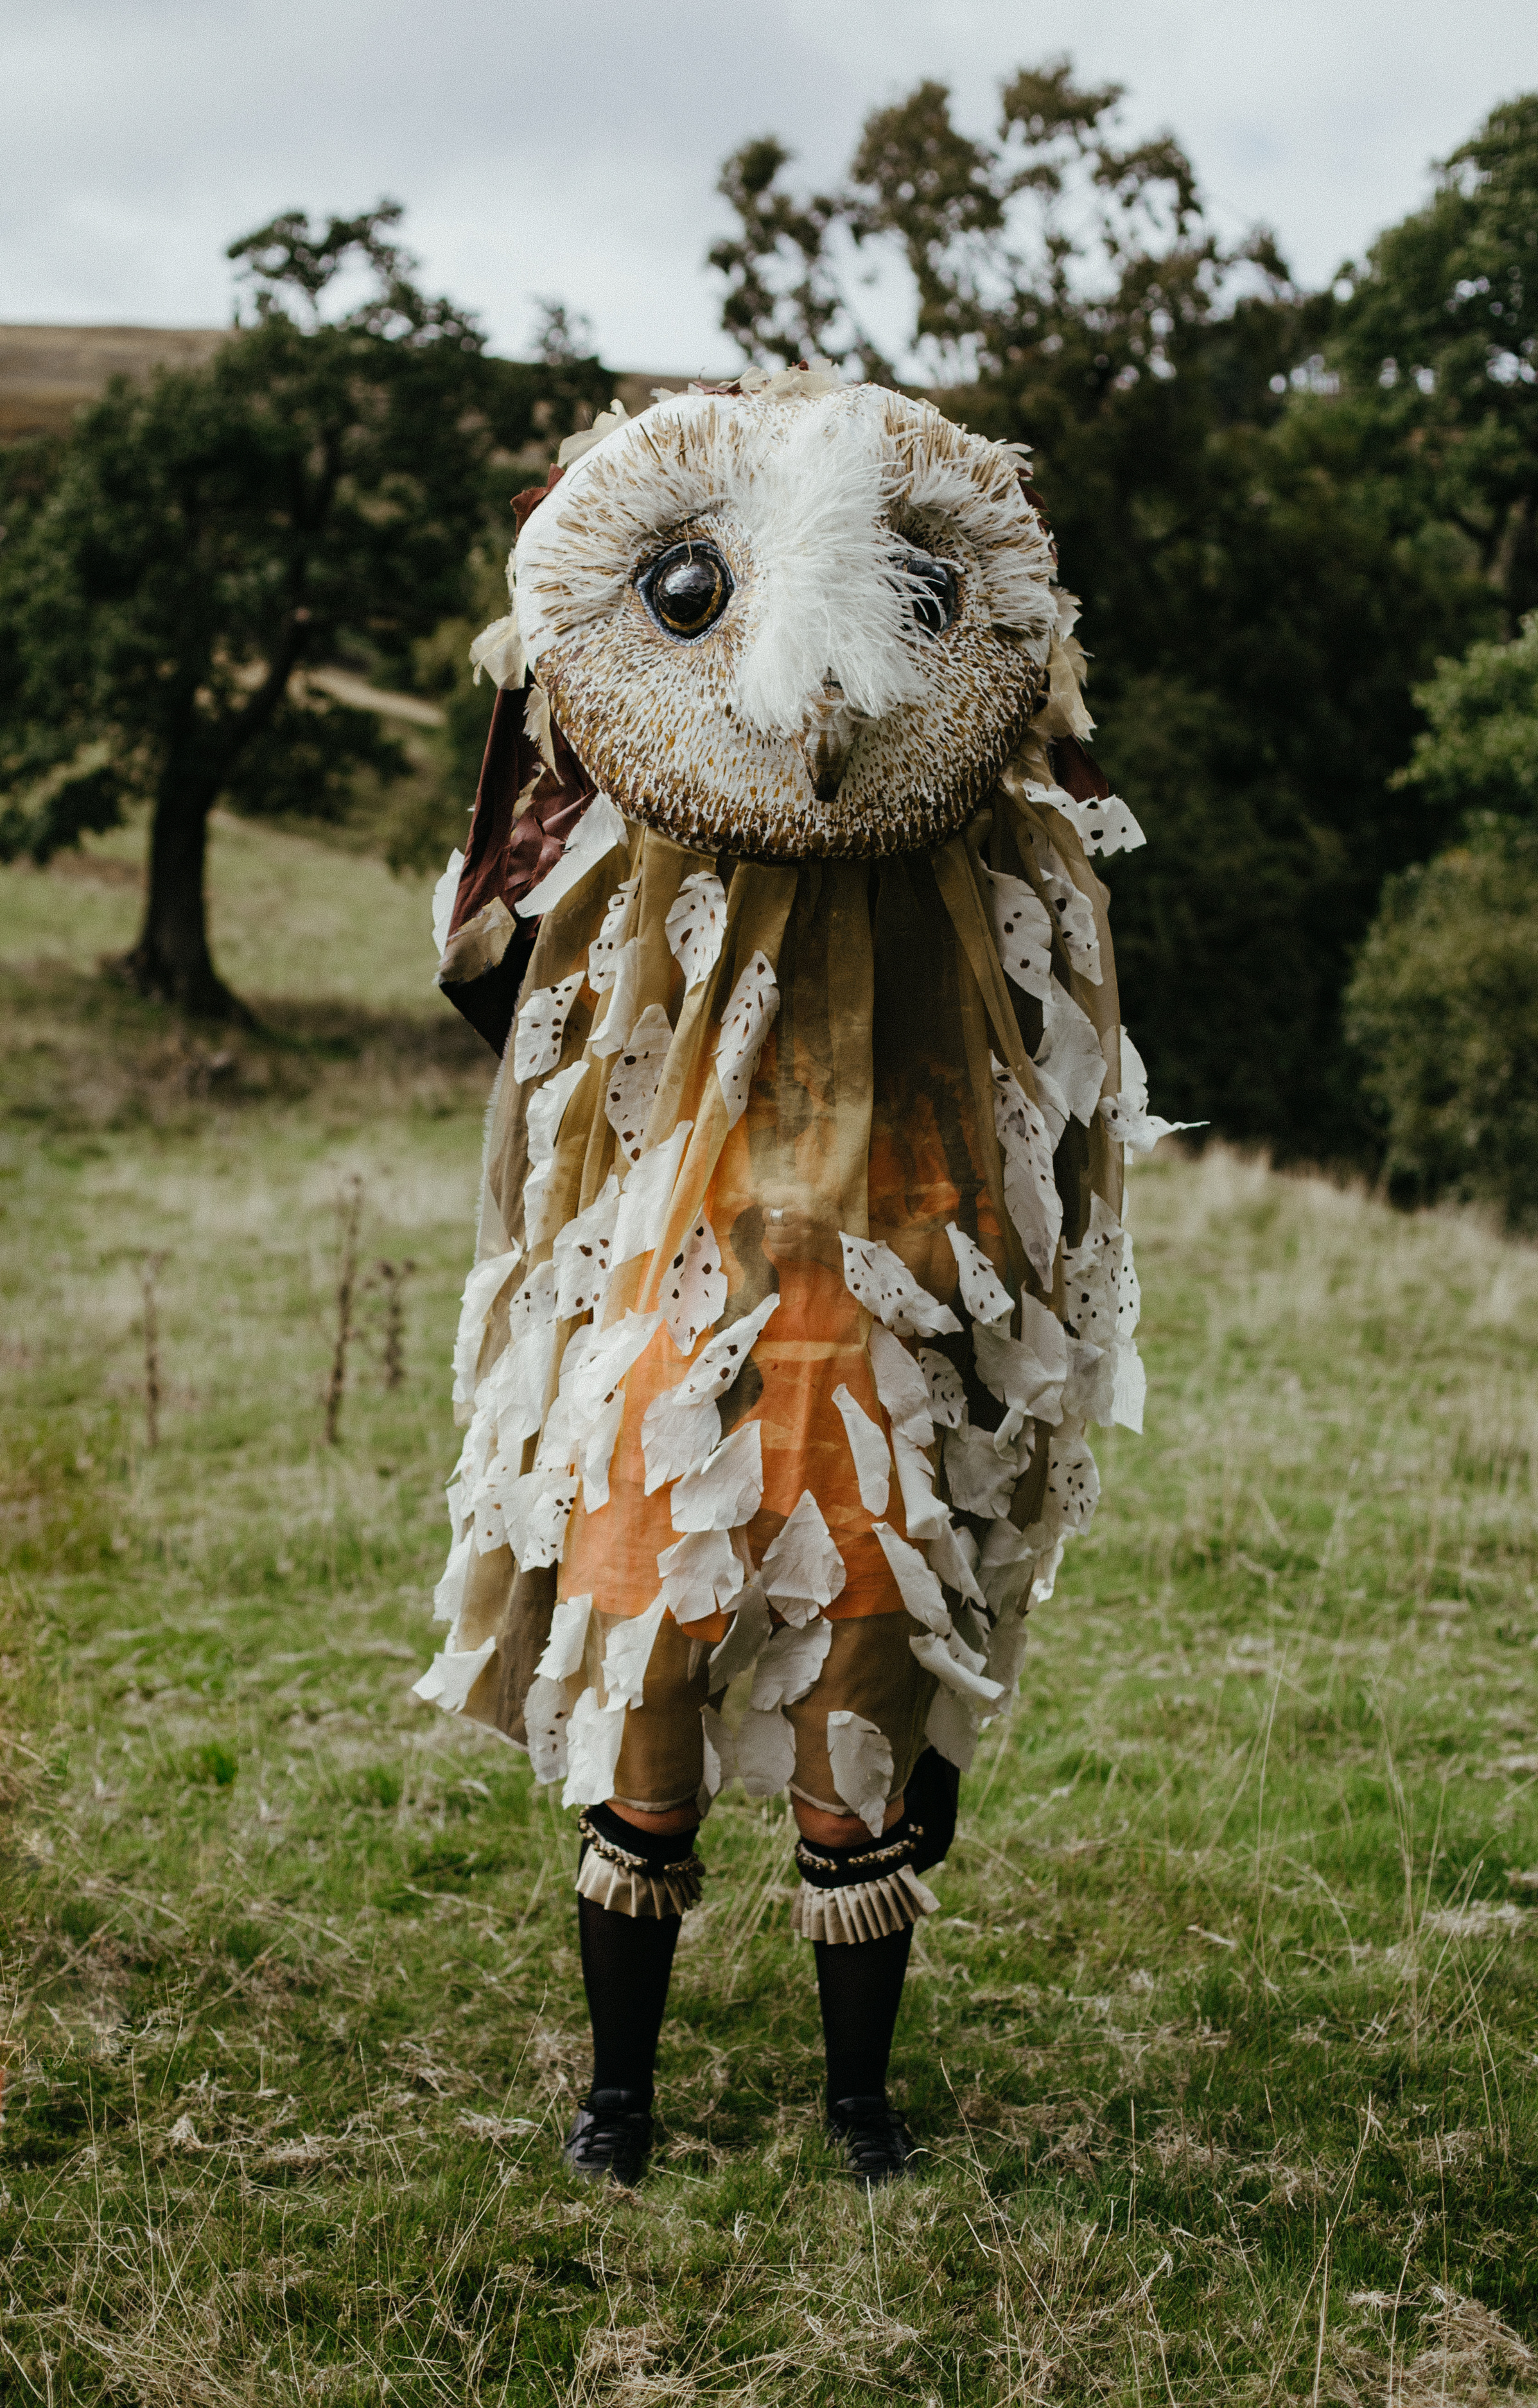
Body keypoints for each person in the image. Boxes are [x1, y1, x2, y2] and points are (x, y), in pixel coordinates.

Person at [417, 367, 1155, 2185]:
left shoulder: (993, 836)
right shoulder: (612, 839)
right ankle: (620, 2096)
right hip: (671, 1306)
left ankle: (854, 2101)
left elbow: (1059, 1059)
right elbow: (499, 982)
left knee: (869, 1684)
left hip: (899, 1309)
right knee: (645, 1656)